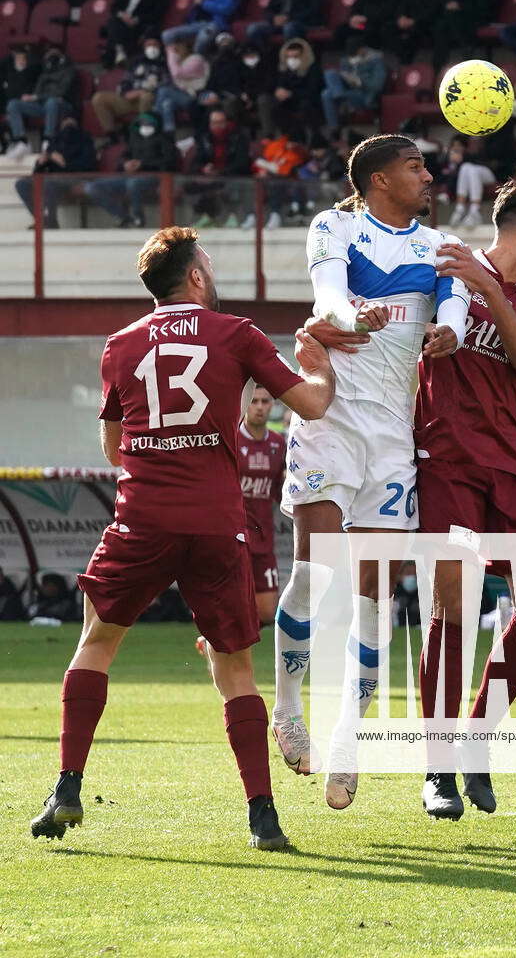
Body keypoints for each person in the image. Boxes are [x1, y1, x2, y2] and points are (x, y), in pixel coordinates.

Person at [29, 224, 335, 850]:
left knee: (97, 642)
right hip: (216, 523)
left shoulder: (119, 345)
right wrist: (323, 371)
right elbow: (311, 405)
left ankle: (66, 786)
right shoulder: (237, 334)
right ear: (195, 277)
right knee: (235, 667)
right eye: (210, 265)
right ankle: (262, 816)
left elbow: (116, 448)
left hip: (142, 516)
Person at [272, 133, 471, 810]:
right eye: (415, 166)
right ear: (379, 179)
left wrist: (449, 331)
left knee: (374, 597)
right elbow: (327, 299)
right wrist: (349, 314)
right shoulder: (335, 225)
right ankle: (290, 705)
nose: (427, 174)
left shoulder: (439, 246)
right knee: (313, 572)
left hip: (392, 434)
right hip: (330, 418)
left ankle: (348, 739)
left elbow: (453, 309)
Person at [415, 179, 516, 820]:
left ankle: (479, 737)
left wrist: (489, 293)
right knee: (453, 607)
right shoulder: (445, 271)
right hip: (445, 462)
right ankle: (438, 768)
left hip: (511, 469)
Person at [237, 386, 287, 626]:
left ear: (272, 406)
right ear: (245, 405)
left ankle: (217, 642)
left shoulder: (278, 444)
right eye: (254, 401)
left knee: (267, 612)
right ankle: (222, 646)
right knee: (234, 603)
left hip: (264, 537)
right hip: (234, 536)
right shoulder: (232, 439)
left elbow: (279, 491)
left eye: (265, 402)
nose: (259, 407)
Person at [85, 111, 177, 228]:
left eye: (149, 123)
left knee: (133, 184)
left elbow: (169, 163)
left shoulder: (165, 140)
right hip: (129, 176)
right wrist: (125, 164)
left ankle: (138, 218)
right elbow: (122, 158)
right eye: (142, 123)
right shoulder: (135, 139)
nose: (145, 126)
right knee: (92, 187)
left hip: (154, 177)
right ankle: (123, 217)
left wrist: (143, 164)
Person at [16, 112, 97, 229]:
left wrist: (64, 163)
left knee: (50, 183)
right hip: (54, 177)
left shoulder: (85, 140)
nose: (67, 124)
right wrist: (40, 162)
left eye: (71, 121)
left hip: (76, 178)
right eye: (65, 121)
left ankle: (51, 222)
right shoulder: (55, 140)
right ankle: (41, 220)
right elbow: (37, 173)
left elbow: (88, 166)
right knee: (22, 183)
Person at [5, 46, 77, 162]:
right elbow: (37, 91)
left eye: (52, 52)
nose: (50, 56)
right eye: (48, 53)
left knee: (52, 102)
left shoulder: (69, 70)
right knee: (13, 104)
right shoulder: (44, 73)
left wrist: (37, 97)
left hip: (63, 105)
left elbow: (61, 92)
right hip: (43, 105)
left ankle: (48, 140)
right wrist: (30, 98)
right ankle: (21, 141)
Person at [432, 0, 504, 70]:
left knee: (449, 21)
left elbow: (486, 7)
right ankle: (438, 66)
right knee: (442, 25)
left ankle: (466, 48)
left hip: (482, 17)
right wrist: (451, 3)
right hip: (463, 15)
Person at [91, 37, 168, 139]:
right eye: (149, 45)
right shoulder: (136, 62)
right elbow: (125, 81)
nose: (152, 48)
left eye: (155, 45)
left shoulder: (164, 63)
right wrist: (126, 93)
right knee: (99, 98)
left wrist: (143, 91)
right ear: (144, 48)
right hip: (130, 98)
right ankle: (111, 134)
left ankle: (144, 134)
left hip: (150, 98)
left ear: (160, 47)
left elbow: (166, 85)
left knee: (146, 97)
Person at [188, 106, 252, 228]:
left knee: (231, 186)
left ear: (226, 122)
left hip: (232, 175)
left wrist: (219, 172)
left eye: (220, 122)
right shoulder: (205, 138)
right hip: (211, 177)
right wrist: (204, 169)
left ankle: (231, 217)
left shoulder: (239, 138)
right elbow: (196, 162)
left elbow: (242, 163)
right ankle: (207, 217)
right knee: (191, 185)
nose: (217, 126)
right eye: (214, 123)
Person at [102, 0, 168, 67]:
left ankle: (113, 55)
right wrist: (122, 15)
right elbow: (115, 7)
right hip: (122, 20)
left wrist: (137, 19)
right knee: (114, 22)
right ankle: (119, 52)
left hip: (141, 23)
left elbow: (158, 12)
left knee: (113, 28)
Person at [321, 38, 387, 133]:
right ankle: (334, 126)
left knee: (327, 94)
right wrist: (347, 77)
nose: (352, 56)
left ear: (362, 49)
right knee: (329, 75)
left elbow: (377, 85)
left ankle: (340, 99)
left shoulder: (376, 61)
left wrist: (359, 81)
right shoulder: (346, 60)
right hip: (348, 91)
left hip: (365, 95)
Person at [154, 41, 210, 136]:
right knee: (167, 104)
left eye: (179, 48)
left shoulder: (196, 59)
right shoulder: (179, 62)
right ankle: (169, 133)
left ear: (187, 48)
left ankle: (155, 121)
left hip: (194, 97)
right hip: (181, 95)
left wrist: (170, 53)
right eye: (175, 49)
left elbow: (177, 73)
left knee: (163, 91)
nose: (177, 50)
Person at [272, 37, 323, 135]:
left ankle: (313, 135)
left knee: (306, 107)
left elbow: (313, 91)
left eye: (296, 56)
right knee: (276, 109)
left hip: (309, 101)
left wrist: (291, 94)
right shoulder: (285, 70)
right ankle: (286, 137)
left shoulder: (313, 69)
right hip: (291, 101)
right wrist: (279, 91)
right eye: (289, 57)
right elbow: (281, 84)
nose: (292, 60)